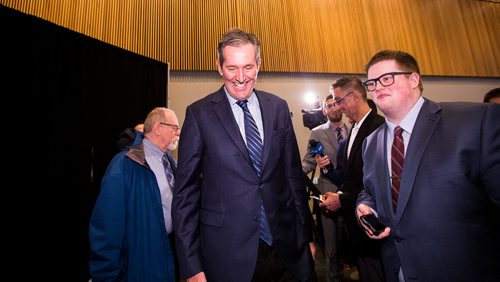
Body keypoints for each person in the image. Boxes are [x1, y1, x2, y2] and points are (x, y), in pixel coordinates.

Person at [172, 28, 316, 282]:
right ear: (219, 66)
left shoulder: (278, 108)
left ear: (259, 64)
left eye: (248, 67)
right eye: (232, 68)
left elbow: (293, 177)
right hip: (226, 255)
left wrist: (308, 238)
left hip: (287, 251)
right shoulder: (199, 114)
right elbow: (185, 195)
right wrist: (191, 265)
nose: (240, 77)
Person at [356, 50, 500, 281]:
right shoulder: (370, 143)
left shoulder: (475, 122)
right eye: (371, 83)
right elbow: (368, 190)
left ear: (414, 79)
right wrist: (365, 207)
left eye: (386, 78)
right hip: (398, 269)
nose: (377, 87)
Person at [89, 107, 181, 282]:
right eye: (175, 127)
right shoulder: (123, 165)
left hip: (167, 255)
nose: (178, 132)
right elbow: (106, 225)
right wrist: (106, 275)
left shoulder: (170, 162)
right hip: (139, 261)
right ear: (158, 128)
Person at [318, 76, 386, 282]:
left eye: (339, 100)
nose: (337, 107)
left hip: (373, 223)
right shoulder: (354, 130)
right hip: (357, 226)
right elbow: (352, 178)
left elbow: (379, 184)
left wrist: (342, 200)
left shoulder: (378, 127)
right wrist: (338, 193)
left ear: (355, 95)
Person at [302, 94, 349, 282]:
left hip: (351, 194)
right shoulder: (317, 133)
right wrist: (290, 175)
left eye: (337, 104)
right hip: (327, 193)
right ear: (324, 111)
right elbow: (308, 163)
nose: (334, 108)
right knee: (332, 247)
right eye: (329, 106)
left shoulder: (353, 129)